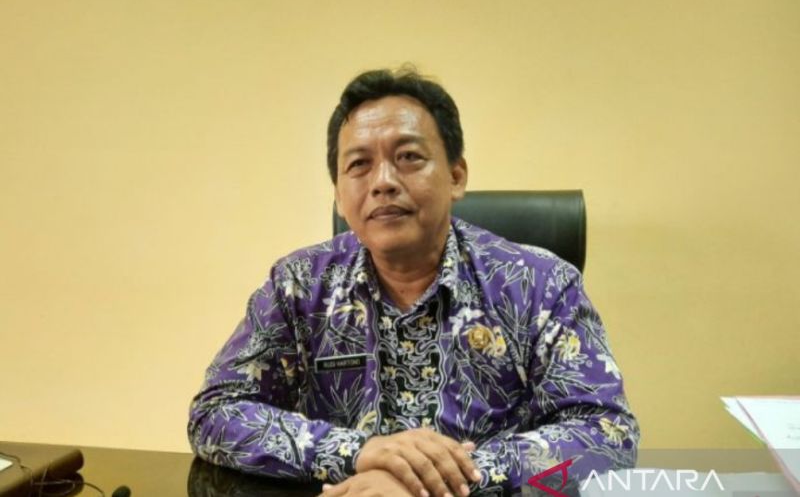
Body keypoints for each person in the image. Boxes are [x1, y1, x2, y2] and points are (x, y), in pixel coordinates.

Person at [188, 67, 639, 497]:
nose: (383, 182)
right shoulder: (299, 286)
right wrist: (359, 452)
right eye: (359, 164)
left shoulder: (539, 285)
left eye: (408, 157)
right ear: (339, 194)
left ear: (456, 176)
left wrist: (439, 482)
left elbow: (607, 436)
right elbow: (215, 411)